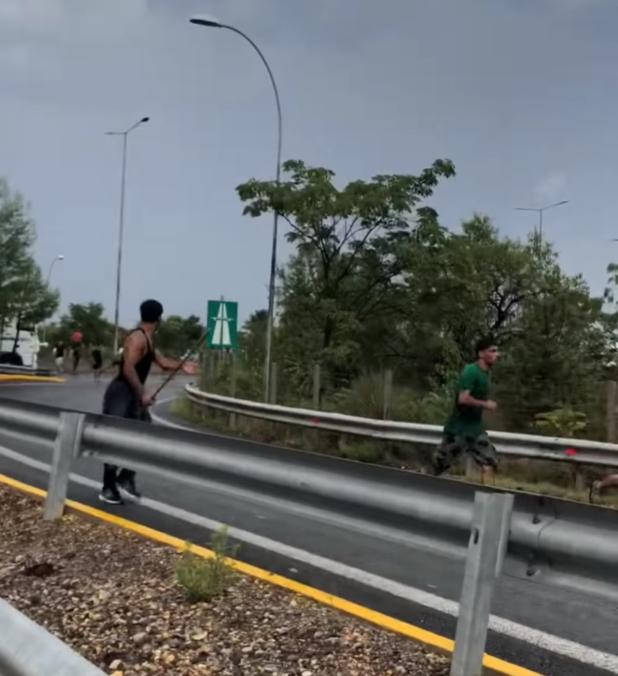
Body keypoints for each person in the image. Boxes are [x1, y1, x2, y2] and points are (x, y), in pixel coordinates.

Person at [99, 299, 197, 506]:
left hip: (131, 394)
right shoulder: (138, 338)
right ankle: (108, 488)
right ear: (159, 318)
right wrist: (142, 394)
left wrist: (182, 365)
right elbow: (128, 368)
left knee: (145, 437)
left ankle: (125, 477)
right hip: (121, 393)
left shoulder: (148, 338)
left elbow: (162, 363)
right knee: (116, 439)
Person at [433, 337, 500, 477]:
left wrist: (487, 403)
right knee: (441, 462)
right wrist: (485, 404)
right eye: (492, 351)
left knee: (490, 459)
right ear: (481, 353)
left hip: (475, 428)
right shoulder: (471, 371)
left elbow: (478, 396)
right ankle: (427, 483)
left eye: (496, 351)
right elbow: (463, 399)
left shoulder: (486, 373)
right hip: (459, 428)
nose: (496, 354)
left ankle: (484, 489)